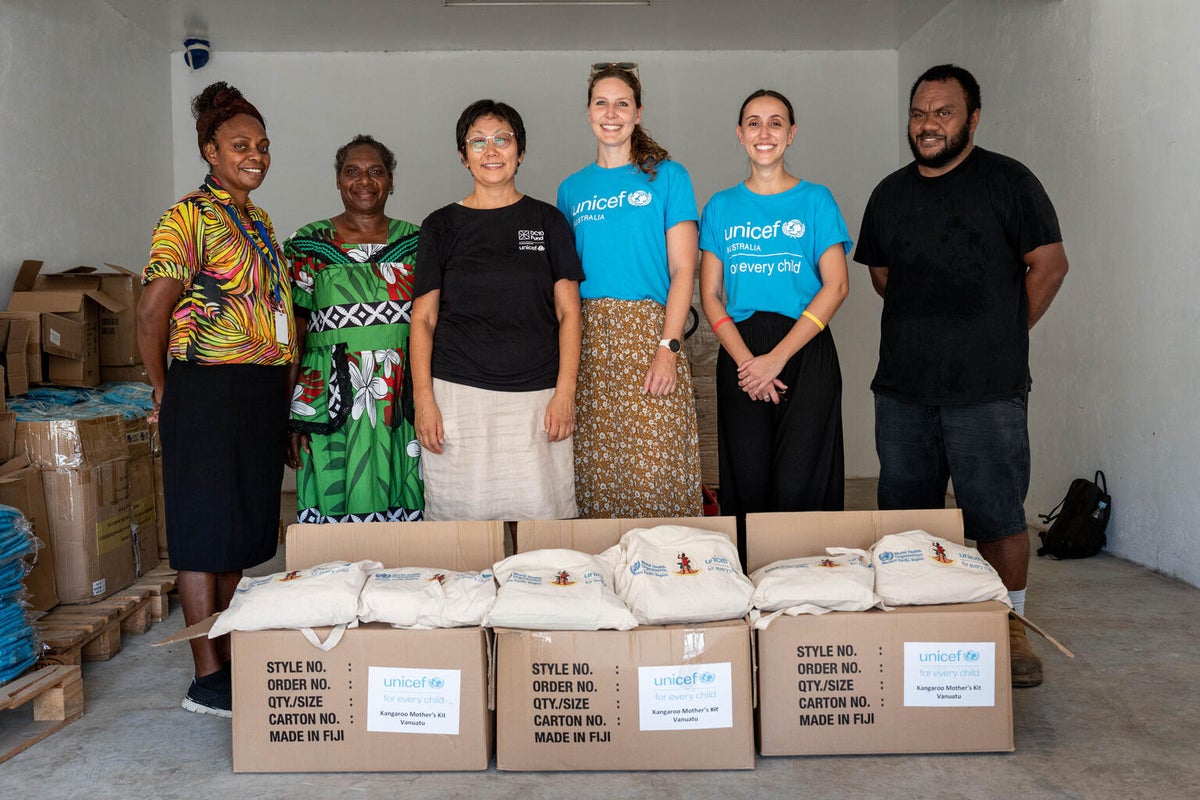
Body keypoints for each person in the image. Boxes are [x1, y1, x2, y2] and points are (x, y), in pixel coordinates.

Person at [854, 64, 1069, 687]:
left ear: (972, 119)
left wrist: (1000, 334)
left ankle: (1010, 628)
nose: (927, 123)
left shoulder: (1009, 182)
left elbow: (1050, 266)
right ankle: (919, 620)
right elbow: (883, 275)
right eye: (920, 112)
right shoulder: (889, 193)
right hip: (901, 389)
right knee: (905, 515)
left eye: (943, 112)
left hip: (988, 391)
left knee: (996, 516)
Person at [137, 82, 293, 717]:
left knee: (242, 529)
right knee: (204, 529)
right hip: (203, 385)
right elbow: (152, 309)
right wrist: (163, 385)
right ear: (210, 151)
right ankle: (206, 675)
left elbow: (277, 315)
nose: (253, 155)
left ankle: (223, 654)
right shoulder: (188, 217)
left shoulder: (258, 220)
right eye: (239, 145)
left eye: (260, 145)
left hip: (257, 390)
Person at [411, 99, 583, 521]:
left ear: (520, 151)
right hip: (457, 398)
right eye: (478, 142)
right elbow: (423, 318)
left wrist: (565, 394)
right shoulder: (441, 225)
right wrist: (423, 400)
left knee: (543, 533)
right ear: (463, 156)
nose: (491, 150)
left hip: (536, 399)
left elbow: (569, 315)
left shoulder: (548, 222)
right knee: (459, 531)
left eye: (502, 139)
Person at [698, 89, 851, 563]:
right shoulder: (721, 207)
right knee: (748, 478)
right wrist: (749, 363)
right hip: (743, 355)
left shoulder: (816, 200)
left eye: (776, 122)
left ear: (791, 134)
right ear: (740, 134)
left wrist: (777, 358)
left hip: (803, 348)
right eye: (754, 123)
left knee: (801, 476)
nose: (764, 133)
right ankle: (752, 591)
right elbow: (709, 295)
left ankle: (807, 589)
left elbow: (837, 286)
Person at [557, 62, 701, 519]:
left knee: (655, 472)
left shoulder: (668, 177)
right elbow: (565, 283)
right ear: (588, 113)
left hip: (650, 335)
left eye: (622, 103)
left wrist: (668, 348)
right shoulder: (571, 190)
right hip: (589, 340)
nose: (611, 112)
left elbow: (684, 269)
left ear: (638, 112)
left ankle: (669, 578)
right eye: (602, 102)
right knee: (595, 474)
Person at [283, 135, 424, 523]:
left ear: (391, 181)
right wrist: (290, 413)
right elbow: (294, 333)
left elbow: (433, 325)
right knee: (333, 509)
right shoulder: (308, 244)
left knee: (406, 505)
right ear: (338, 180)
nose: (365, 181)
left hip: (400, 398)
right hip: (327, 396)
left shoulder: (418, 243)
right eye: (353, 172)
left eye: (376, 171)